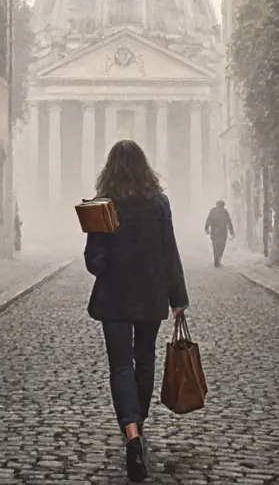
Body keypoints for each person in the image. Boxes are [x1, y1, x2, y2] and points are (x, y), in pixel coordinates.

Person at [84, 140, 190, 482]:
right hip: (149, 294)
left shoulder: (103, 206)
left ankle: (131, 435)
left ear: (110, 170)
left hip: (114, 296)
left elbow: (93, 262)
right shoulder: (159, 203)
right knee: (144, 360)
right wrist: (178, 298)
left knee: (120, 366)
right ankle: (139, 424)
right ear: (145, 168)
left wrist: (109, 257)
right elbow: (169, 252)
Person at [204, 200, 235, 267]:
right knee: (222, 246)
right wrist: (231, 232)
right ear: (223, 205)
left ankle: (216, 259)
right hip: (222, 233)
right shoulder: (225, 212)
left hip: (214, 232)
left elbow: (208, 220)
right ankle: (219, 258)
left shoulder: (213, 211)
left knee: (215, 246)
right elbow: (229, 222)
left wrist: (206, 228)